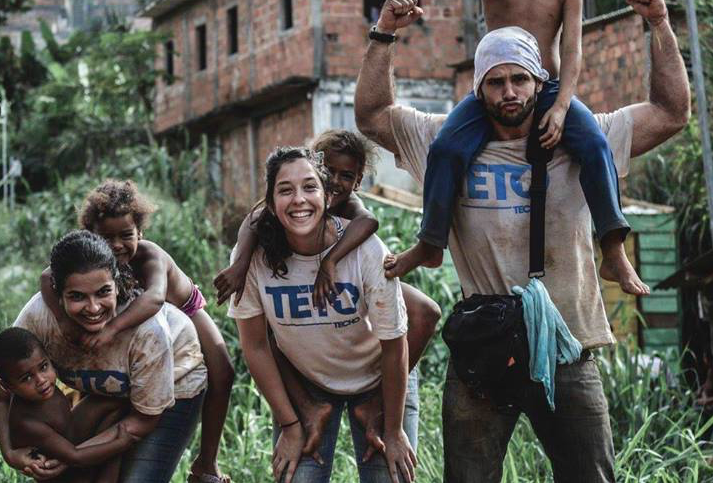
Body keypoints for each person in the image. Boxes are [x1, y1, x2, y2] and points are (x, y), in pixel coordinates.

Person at [355, 0, 690, 482]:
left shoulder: (582, 134)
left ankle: (612, 250)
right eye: (495, 83)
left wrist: (660, 24)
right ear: (479, 89)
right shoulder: (444, 139)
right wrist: (383, 34)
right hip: (484, 345)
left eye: (519, 80)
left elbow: (670, 113)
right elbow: (372, 116)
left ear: (540, 83)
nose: (509, 92)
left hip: (566, 344)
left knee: (591, 476)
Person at [394, 0, 649, 297]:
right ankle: (429, 243)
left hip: (545, 89)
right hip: (493, 92)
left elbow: (572, 51)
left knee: (594, 145)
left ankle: (613, 247)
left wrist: (563, 106)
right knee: (445, 149)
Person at [228, 146, 417, 483]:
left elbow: (394, 343)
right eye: (285, 190)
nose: (299, 199)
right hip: (308, 382)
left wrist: (393, 430)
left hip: (379, 378)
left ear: (328, 196)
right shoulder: (254, 258)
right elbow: (255, 346)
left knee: (391, 476)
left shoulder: (366, 250)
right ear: (269, 204)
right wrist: (289, 424)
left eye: (310, 187)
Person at [38, 179, 234, 483]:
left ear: (139, 233)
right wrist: (64, 324)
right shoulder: (89, 261)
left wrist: (111, 330)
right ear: (90, 236)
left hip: (184, 310)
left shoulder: (148, 255)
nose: (116, 245)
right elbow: (46, 275)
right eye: (106, 237)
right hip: (144, 339)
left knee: (223, 370)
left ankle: (207, 463)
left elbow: (155, 298)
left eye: (125, 235)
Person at [215, 129, 441, 369]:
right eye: (329, 171)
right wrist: (240, 264)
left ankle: (389, 382)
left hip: (354, 277)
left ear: (358, 181)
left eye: (346, 175)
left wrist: (330, 261)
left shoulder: (350, 205)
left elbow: (369, 221)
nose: (334, 180)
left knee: (423, 310)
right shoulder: (299, 196)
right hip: (304, 286)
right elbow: (254, 219)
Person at [0, 230, 209, 483]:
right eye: (77, 296)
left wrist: (74, 456)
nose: (94, 308)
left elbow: (141, 422)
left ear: (116, 284)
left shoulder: (149, 332)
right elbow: (3, 399)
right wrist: (11, 454)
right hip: (110, 395)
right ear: (57, 294)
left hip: (172, 386)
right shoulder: (39, 319)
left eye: (103, 292)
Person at [0, 326, 132, 483]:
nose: (41, 380)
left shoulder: (36, 376)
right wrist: (120, 444)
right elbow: (75, 456)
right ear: (7, 387)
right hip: (67, 474)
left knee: (116, 402)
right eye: (27, 378)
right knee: (111, 460)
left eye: (43, 367)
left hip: (70, 433)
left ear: (49, 358)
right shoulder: (27, 423)